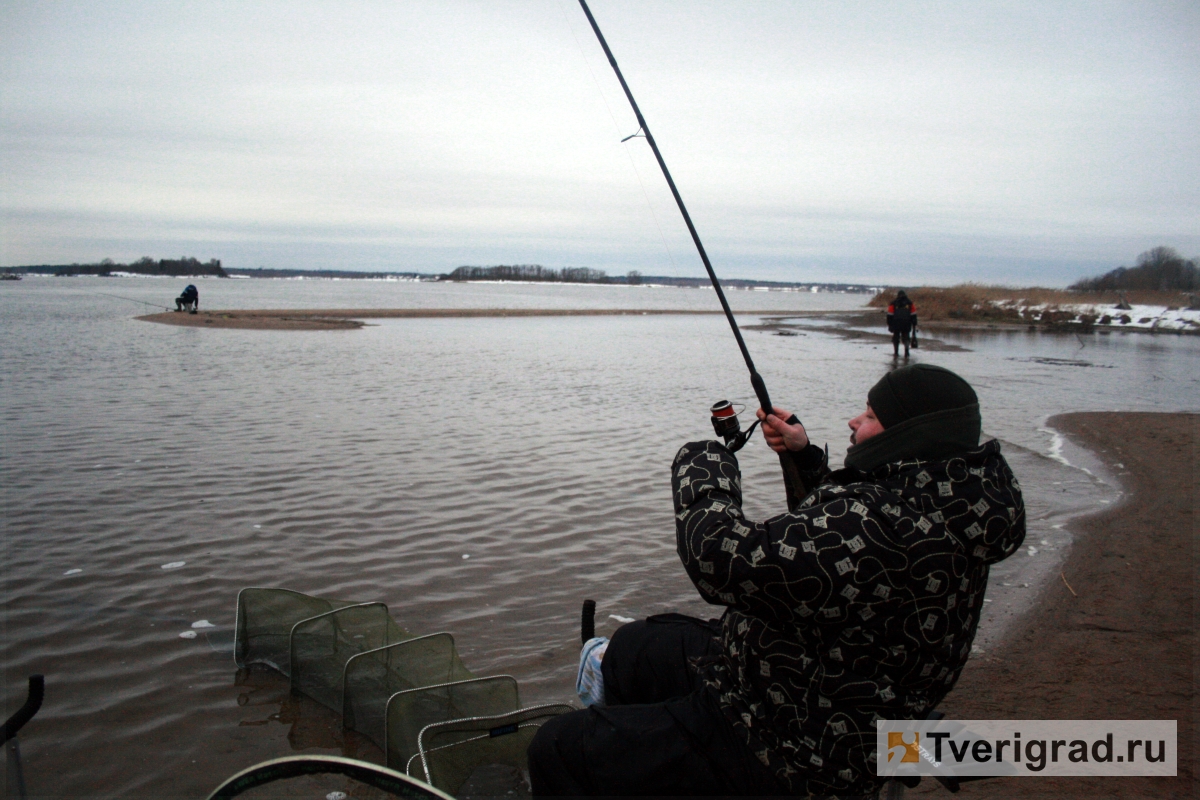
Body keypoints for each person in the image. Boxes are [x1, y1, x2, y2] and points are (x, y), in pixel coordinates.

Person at [527, 364, 1025, 797]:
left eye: (870, 416)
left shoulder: (883, 523)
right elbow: (843, 549)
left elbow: (720, 561)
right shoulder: (951, 493)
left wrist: (705, 474)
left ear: (910, 436)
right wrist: (804, 457)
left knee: (557, 748)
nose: (854, 420)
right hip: (811, 673)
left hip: (796, 740)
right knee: (637, 646)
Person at [886, 290, 917, 358]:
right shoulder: (910, 303)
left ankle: (896, 353)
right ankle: (906, 352)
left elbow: (890, 315)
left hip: (896, 323)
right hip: (906, 323)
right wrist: (914, 324)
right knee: (906, 337)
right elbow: (913, 315)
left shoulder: (893, 303)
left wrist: (889, 324)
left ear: (898, 295)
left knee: (896, 338)